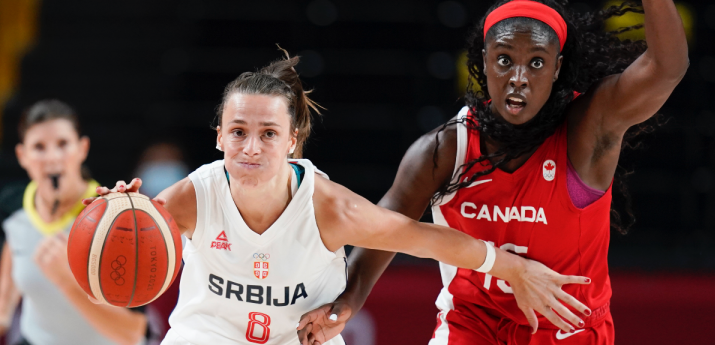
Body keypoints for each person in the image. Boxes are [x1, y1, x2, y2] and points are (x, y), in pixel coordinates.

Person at [299, 0, 687, 345]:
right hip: (473, 324)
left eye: (536, 63)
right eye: (504, 60)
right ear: (483, 62)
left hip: (570, 330)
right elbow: (384, 228)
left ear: (557, 69)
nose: (518, 77)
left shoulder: (585, 129)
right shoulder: (446, 147)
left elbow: (666, 69)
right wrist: (350, 298)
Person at [92, 55, 592, 345]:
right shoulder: (192, 196)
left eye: (268, 133)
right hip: (208, 336)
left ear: (291, 142)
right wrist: (116, 213)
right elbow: (122, 241)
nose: (251, 147)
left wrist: (510, 267)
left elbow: (419, 237)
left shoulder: (328, 206)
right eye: (238, 132)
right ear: (218, 136)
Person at [0, 100, 148, 345]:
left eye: (63, 144)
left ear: (82, 148)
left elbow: (133, 333)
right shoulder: (14, 207)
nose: (52, 157)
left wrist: (66, 281)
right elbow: (5, 299)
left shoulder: (114, 215)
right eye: (39, 147)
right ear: (22, 155)